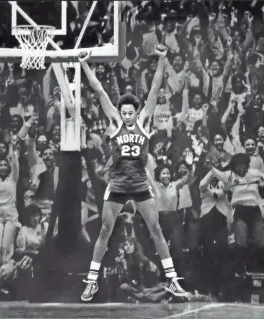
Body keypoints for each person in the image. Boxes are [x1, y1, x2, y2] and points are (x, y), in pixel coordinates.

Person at [78, 44, 189, 302]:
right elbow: (99, 91)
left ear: (136, 112)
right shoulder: (115, 122)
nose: (127, 116)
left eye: (131, 112)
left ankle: (172, 281)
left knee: (156, 229)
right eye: (124, 112)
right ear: (120, 113)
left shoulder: (145, 120)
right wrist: (84, 65)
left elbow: (154, 88)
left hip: (139, 183)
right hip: (117, 184)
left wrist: (162, 58)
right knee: (105, 229)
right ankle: (91, 282)